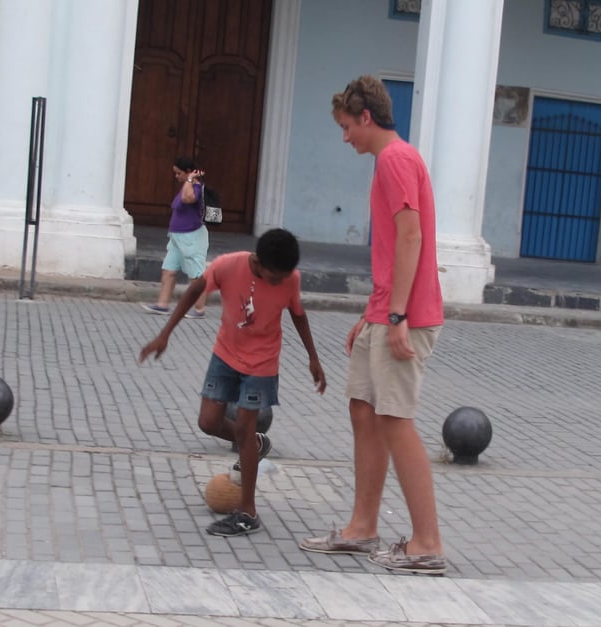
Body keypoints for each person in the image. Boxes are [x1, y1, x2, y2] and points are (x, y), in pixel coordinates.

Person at [299, 76, 446, 574]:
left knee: (395, 420)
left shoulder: (397, 160)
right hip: (385, 311)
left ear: (366, 118)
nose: (344, 138)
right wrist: (372, 312)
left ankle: (427, 543)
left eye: (346, 127)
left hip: (407, 316)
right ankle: (362, 529)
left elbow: (411, 237)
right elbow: (390, 249)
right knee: (363, 410)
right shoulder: (388, 162)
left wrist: (399, 316)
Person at [139, 228, 327, 537]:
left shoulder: (291, 278)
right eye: (275, 276)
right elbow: (192, 292)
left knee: (244, 425)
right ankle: (253, 446)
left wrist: (313, 358)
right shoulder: (228, 265)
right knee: (208, 422)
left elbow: (298, 314)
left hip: (263, 363)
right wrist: (165, 334)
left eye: (285, 276)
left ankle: (247, 512)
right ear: (259, 262)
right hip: (225, 356)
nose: (281, 282)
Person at [141, 156, 209, 318]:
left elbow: (187, 199)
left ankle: (199, 309)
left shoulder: (196, 187)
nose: (176, 176)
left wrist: (191, 178)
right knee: (169, 270)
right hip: (177, 237)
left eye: (179, 173)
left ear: (187, 172)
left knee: (196, 273)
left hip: (191, 236)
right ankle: (162, 305)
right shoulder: (188, 185)